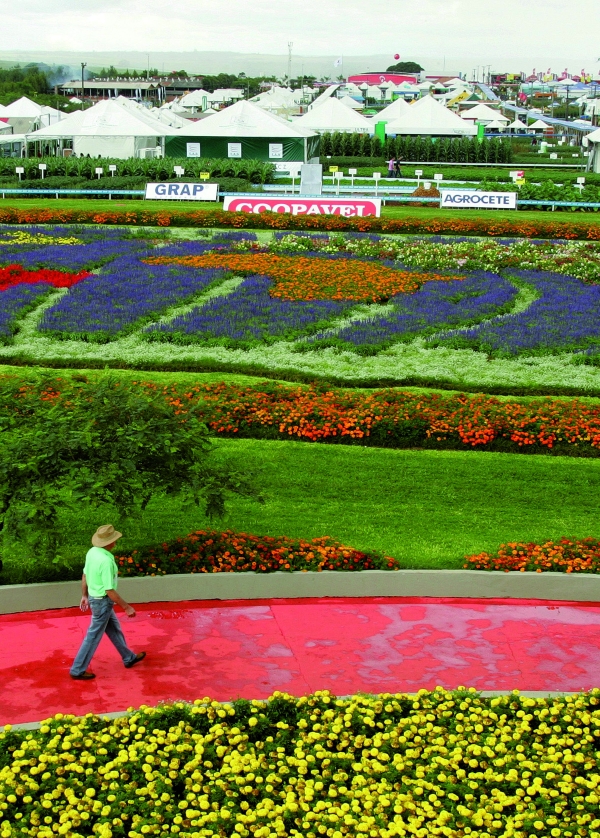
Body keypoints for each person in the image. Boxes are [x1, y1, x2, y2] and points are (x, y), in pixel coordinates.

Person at [70, 525, 146, 681]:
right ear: (110, 542)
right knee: (93, 636)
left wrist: (84, 595)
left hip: (95, 599)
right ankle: (77, 669)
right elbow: (109, 590)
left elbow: (85, 575)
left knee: (114, 629)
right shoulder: (105, 561)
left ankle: (128, 657)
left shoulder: (92, 552)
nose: (116, 541)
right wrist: (127, 607)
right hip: (102, 602)